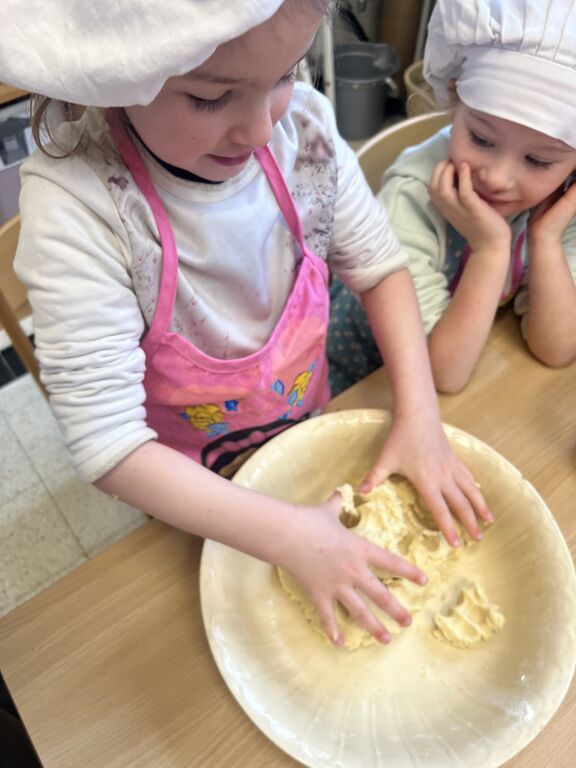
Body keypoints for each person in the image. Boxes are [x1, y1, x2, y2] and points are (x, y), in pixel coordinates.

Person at [0, 0, 489, 647]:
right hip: (189, 490)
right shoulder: (82, 206)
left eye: (286, 74)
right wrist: (289, 537)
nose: (260, 131)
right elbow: (110, 445)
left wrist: (421, 417)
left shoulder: (305, 136)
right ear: (116, 74)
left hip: (303, 428)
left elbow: (380, 271)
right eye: (210, 98)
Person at [328, 0, 576, 396]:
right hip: (357, 380)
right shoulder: (411, 197)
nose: (496, 178)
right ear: (454, 93)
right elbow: (442, 375)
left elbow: (557, 348)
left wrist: (545, 241)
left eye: (538, 161)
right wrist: (491, 250)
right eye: (481, 139)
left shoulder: (558, 205)